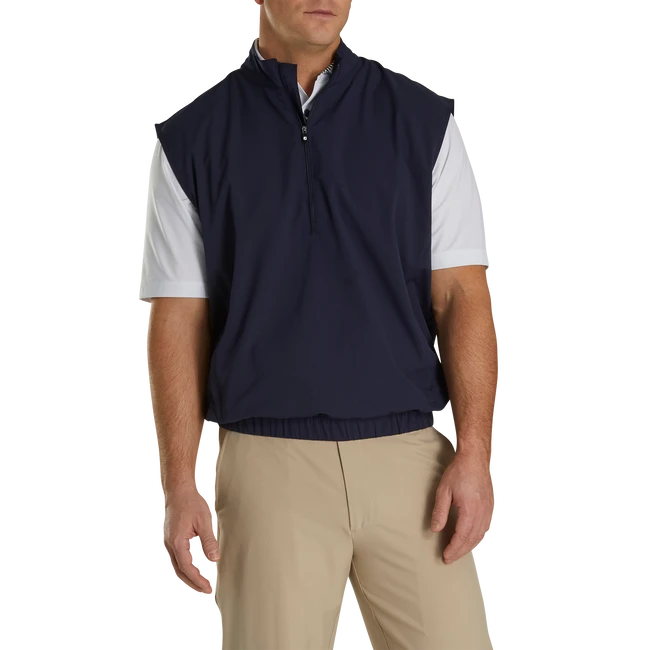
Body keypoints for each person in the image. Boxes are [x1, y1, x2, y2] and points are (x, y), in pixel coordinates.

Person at [140, 1, 499, 648]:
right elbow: (177, 320)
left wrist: (475, 454)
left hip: (413, 464)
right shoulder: (192, 139)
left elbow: (462, 297)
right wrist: (179, 487)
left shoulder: (424, 123)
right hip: (267, 467)